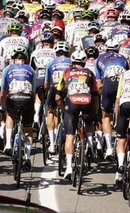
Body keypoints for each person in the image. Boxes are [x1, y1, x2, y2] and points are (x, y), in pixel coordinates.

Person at [57, 47, 99, 178]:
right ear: (84, 61)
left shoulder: (66, 73)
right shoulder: (90, 73)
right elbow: (95, 95)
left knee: (70, 135)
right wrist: (95, 112)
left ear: (72, 61)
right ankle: (90, 144)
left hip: (71, 103)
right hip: (87, 103)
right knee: (90, 122)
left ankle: (69, 168)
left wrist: (63, 109)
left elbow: (57, 97)